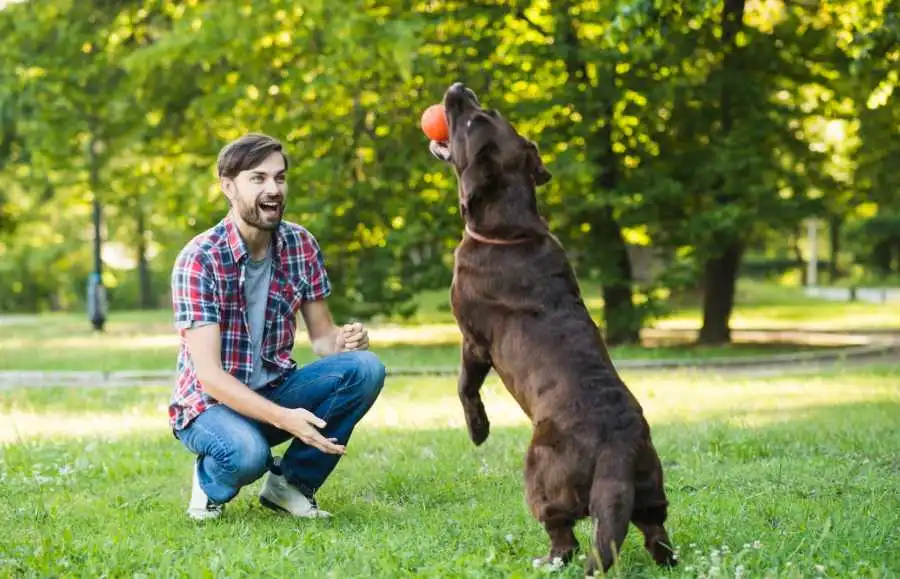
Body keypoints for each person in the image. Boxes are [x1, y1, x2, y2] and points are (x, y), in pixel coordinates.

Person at [168, 132, 386, 521]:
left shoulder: (300, 244)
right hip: (210, 406)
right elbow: (211, 378)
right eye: (259, 178)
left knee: (365, 368)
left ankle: (292, 485)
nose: (273, 189)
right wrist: (286, 419)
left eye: (280, 178)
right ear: (228, 187)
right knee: (248, 454)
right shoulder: (199, 260)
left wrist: (347, 340)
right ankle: (209, 480)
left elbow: (322, 338)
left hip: (274, 389)